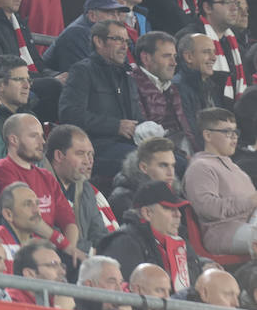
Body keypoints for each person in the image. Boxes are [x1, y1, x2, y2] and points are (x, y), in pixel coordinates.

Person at [59, 20, 143, 182]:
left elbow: (136, 118)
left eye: (126, 41)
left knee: (175, 159)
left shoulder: (128, 76)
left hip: (128, 145)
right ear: (98, 41)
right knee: (149, 164)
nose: (124, 46)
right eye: (118, 39)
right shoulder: (82, 71)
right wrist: (116, 126)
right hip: (97, 147)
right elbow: (69, 114)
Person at [0, 114, 83, 260]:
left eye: (42, 136)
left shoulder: (46, 176)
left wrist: (69, 252)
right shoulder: (3, 169)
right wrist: (64, 245)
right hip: (21, 253)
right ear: (13, 140)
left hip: (50, 253)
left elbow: (69, 221)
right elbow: (26, 216)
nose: (43, 142)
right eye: (34, 136)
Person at [98, 181, 202, 294]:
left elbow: (195, 284)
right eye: (168, 208)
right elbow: (125, 291)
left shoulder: (180, 242)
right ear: (147, 213)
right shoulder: (124, 242)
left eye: (178, 209)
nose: (178, 214)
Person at [186, 107, 257, 258]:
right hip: (223, 232)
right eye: (227, 132)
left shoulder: (235, 167)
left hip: (249, 225)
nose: (234, 137)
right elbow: (208, 208)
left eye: (235, 132)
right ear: (208, 135)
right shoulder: (200, 167)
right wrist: (250, 201)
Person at [47, 123, 118, 253]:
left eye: (90, 154)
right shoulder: (40, 184)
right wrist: (91, 252)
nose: (88, 160)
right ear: (59, 156)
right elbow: (52, 237)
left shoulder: (86, 188)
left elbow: (99, 233)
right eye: (80, 154)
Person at [179, 0, 248, 107]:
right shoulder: (190, 37)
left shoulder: (237, 46)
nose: (234, 8)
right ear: (207, 7)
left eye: (235, 3)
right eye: (226, 2)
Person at [43, 0, 131, 72]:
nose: (116, 19)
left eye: (118, 14)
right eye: (111, 13)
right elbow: (84, 76)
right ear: (92, 16)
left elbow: (123, 68)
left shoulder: (108, 35)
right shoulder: (76, 33)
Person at [130, 31, 190, 147]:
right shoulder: (131, 85)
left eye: (175, 57)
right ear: (146, 58)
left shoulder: (171, 87)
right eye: (167, 56)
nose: (174, 63)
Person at [109, 137, 178, 217]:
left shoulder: (171, 192)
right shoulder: (122, 199)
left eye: (173, 166)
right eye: (163, 165)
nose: (171, 173)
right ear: (144, 168)